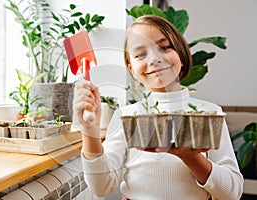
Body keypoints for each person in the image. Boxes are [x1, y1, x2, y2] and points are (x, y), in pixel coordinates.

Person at [73, 15, 243, 200]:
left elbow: (232, 193)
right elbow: (101, 187)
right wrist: (89, 131)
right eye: (141, 54)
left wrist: (191, 158)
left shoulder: (209, 114)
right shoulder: (127, 116)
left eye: (164, 47)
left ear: (182, 55)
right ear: (132, 70)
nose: (154, 58)